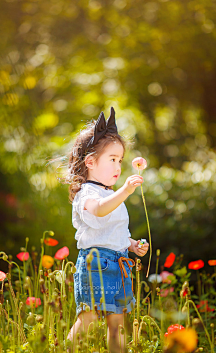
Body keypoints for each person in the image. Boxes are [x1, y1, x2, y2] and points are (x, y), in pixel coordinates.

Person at [66, 107, 149, 352]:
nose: (118, 166)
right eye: (112, 159)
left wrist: (132, 245)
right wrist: (125, 191)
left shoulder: (110, 194)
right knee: (89, 317)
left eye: (120, 160)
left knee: (118, 321)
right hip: (96, 264)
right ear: (90, 161)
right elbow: (99, 211)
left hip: (119, 263)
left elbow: (113, 231)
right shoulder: (87, 194)